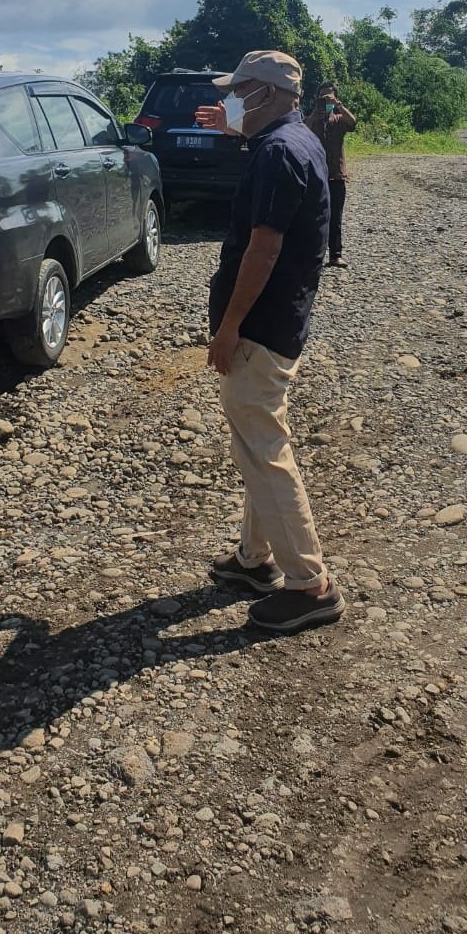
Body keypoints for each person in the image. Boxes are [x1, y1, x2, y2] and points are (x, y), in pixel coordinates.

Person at [194, 50, 345, 634]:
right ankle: (255, 561)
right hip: (280, 320)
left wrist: (228, 327)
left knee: (263, 446)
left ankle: (309, 585)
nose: (231, 99)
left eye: (238, 91)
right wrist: (236, 128)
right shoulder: (293, 140)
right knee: (256, 441)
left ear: (266, 93)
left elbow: (264, 249)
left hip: (261, 326)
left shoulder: (280, 153)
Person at [303, 82, 356, 267]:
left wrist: (338, 105)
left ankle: (335, 254)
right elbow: (302, 132)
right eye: (322, 97)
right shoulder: (312, 119)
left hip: (336, 175)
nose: (325, 100)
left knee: (335, 217)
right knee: (312, 215)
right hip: (315, 173)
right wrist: (313, 116)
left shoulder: (339, 119)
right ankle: (311, 254)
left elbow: (353, 122)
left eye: (329, 97)